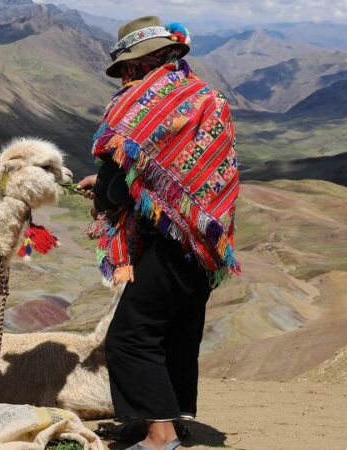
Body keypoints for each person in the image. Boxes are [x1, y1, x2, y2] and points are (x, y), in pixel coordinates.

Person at [77, 16, 240, 450]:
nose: (127, 74)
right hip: (202, 240)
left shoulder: (139, 106)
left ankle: (158, 435)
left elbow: (120, 178)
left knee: (131, 336)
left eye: (130, 64)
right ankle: (174, 416)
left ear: (144, 60)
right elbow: (195, 177)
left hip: (164, 242)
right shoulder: (206, 98)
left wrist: (106, 193)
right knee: (177, 331)